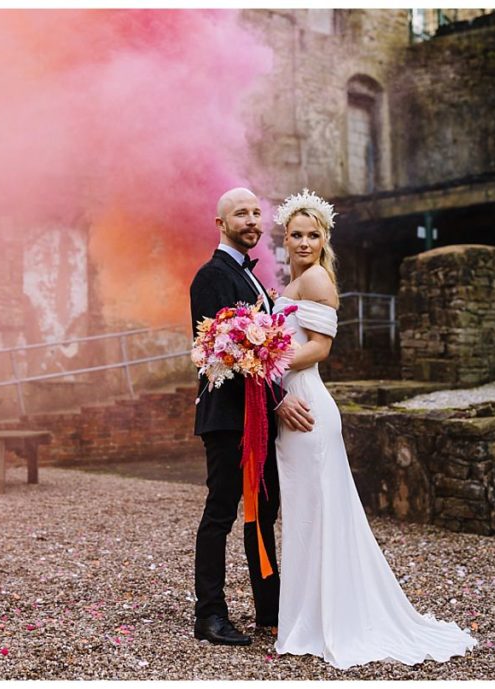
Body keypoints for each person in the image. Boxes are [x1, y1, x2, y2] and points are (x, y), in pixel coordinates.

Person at [270, 188, 478, 668]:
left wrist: (264, 361)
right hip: (296, 403)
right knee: (307, 514)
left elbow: (320, 349)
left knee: (316, 514)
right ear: (286, 238)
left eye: (312, 234)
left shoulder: (318, 279)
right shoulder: (296, 280)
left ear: (324, 238)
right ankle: (311, 615)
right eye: (295, 235)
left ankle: (328, 621)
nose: (303, 242)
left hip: (308, 407)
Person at [189, 187, 314, 646]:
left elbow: (266, 348)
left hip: (260, 418)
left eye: (256, 213)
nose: (252, 220)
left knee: (264, 513)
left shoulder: (256, 280)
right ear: (220, 223)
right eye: (240, 213)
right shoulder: (211, 276)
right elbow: (223, 352)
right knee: (220, 513)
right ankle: (210, 615)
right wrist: (279, 399)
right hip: (227, 417)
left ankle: (269, 611)